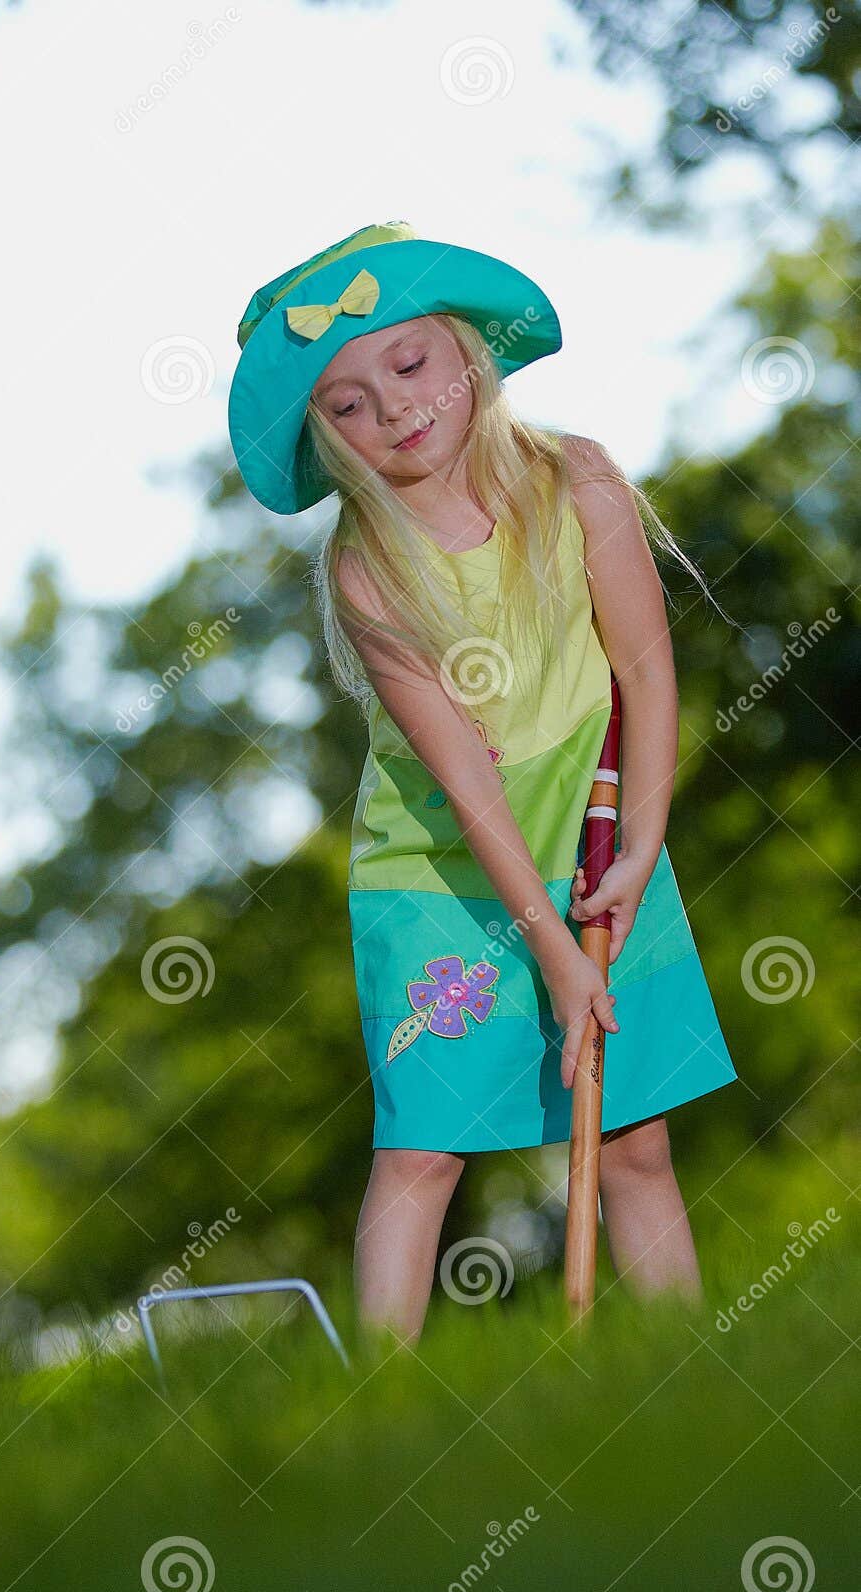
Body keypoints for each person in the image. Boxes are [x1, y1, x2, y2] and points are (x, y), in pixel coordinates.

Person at [227, 220, 739, 1343]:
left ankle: (689, 1370)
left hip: (601, 830)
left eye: (406, 365)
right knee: (423, 1145)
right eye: (347, 402)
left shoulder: (579, 483)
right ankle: (381, 1398)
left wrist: (640, 848)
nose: (392, 408)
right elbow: (463, 781)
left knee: (632, 1135)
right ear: (325, 437)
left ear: (464, 354)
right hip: (443, 868)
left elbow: (646, 670)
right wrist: (551, 956)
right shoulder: (368, 572)